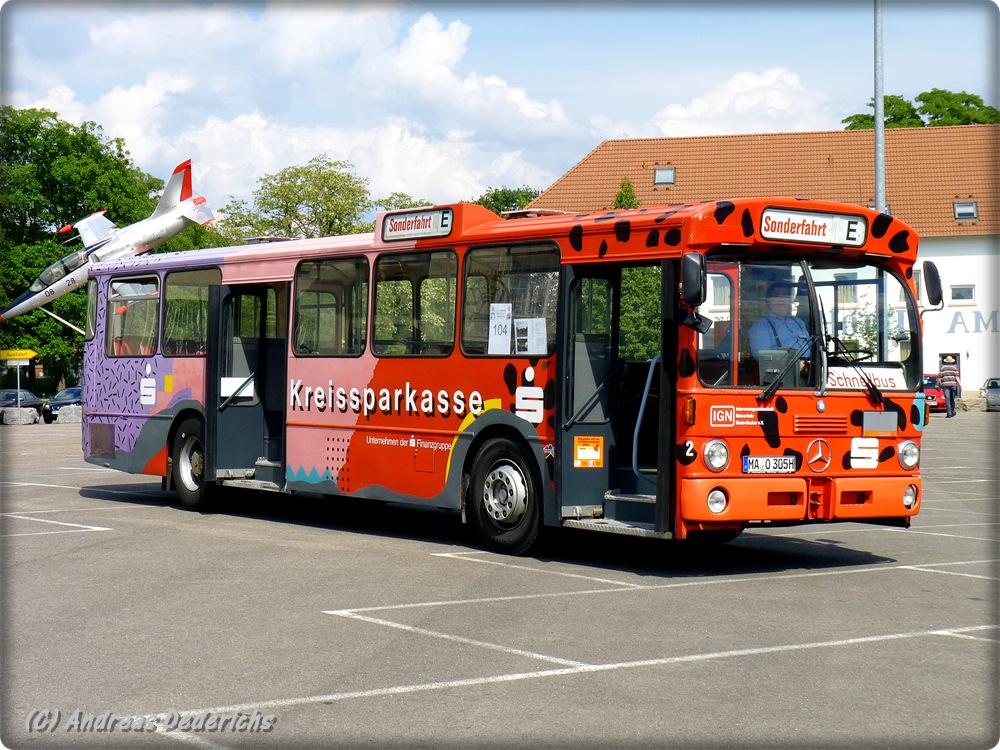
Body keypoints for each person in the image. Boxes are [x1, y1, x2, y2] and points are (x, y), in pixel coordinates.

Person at [748, 280, 811, 358]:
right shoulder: (761, 326)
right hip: (785, 369)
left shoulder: (798, 322)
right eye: (777, 295)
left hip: (811, 367)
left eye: (785, 295)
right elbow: (764, 358)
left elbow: (810, 346)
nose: (781, 299)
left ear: (789, 300)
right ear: (768, 300)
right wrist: (797, 364)